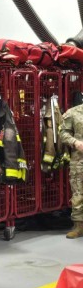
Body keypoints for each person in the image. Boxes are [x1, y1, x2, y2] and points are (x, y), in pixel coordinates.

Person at [60, 102, 83, 239]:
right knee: (78, 194)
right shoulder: (73, 112)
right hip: (79, 161)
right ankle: (79, 226)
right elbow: (63, 133)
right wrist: (75, 142)